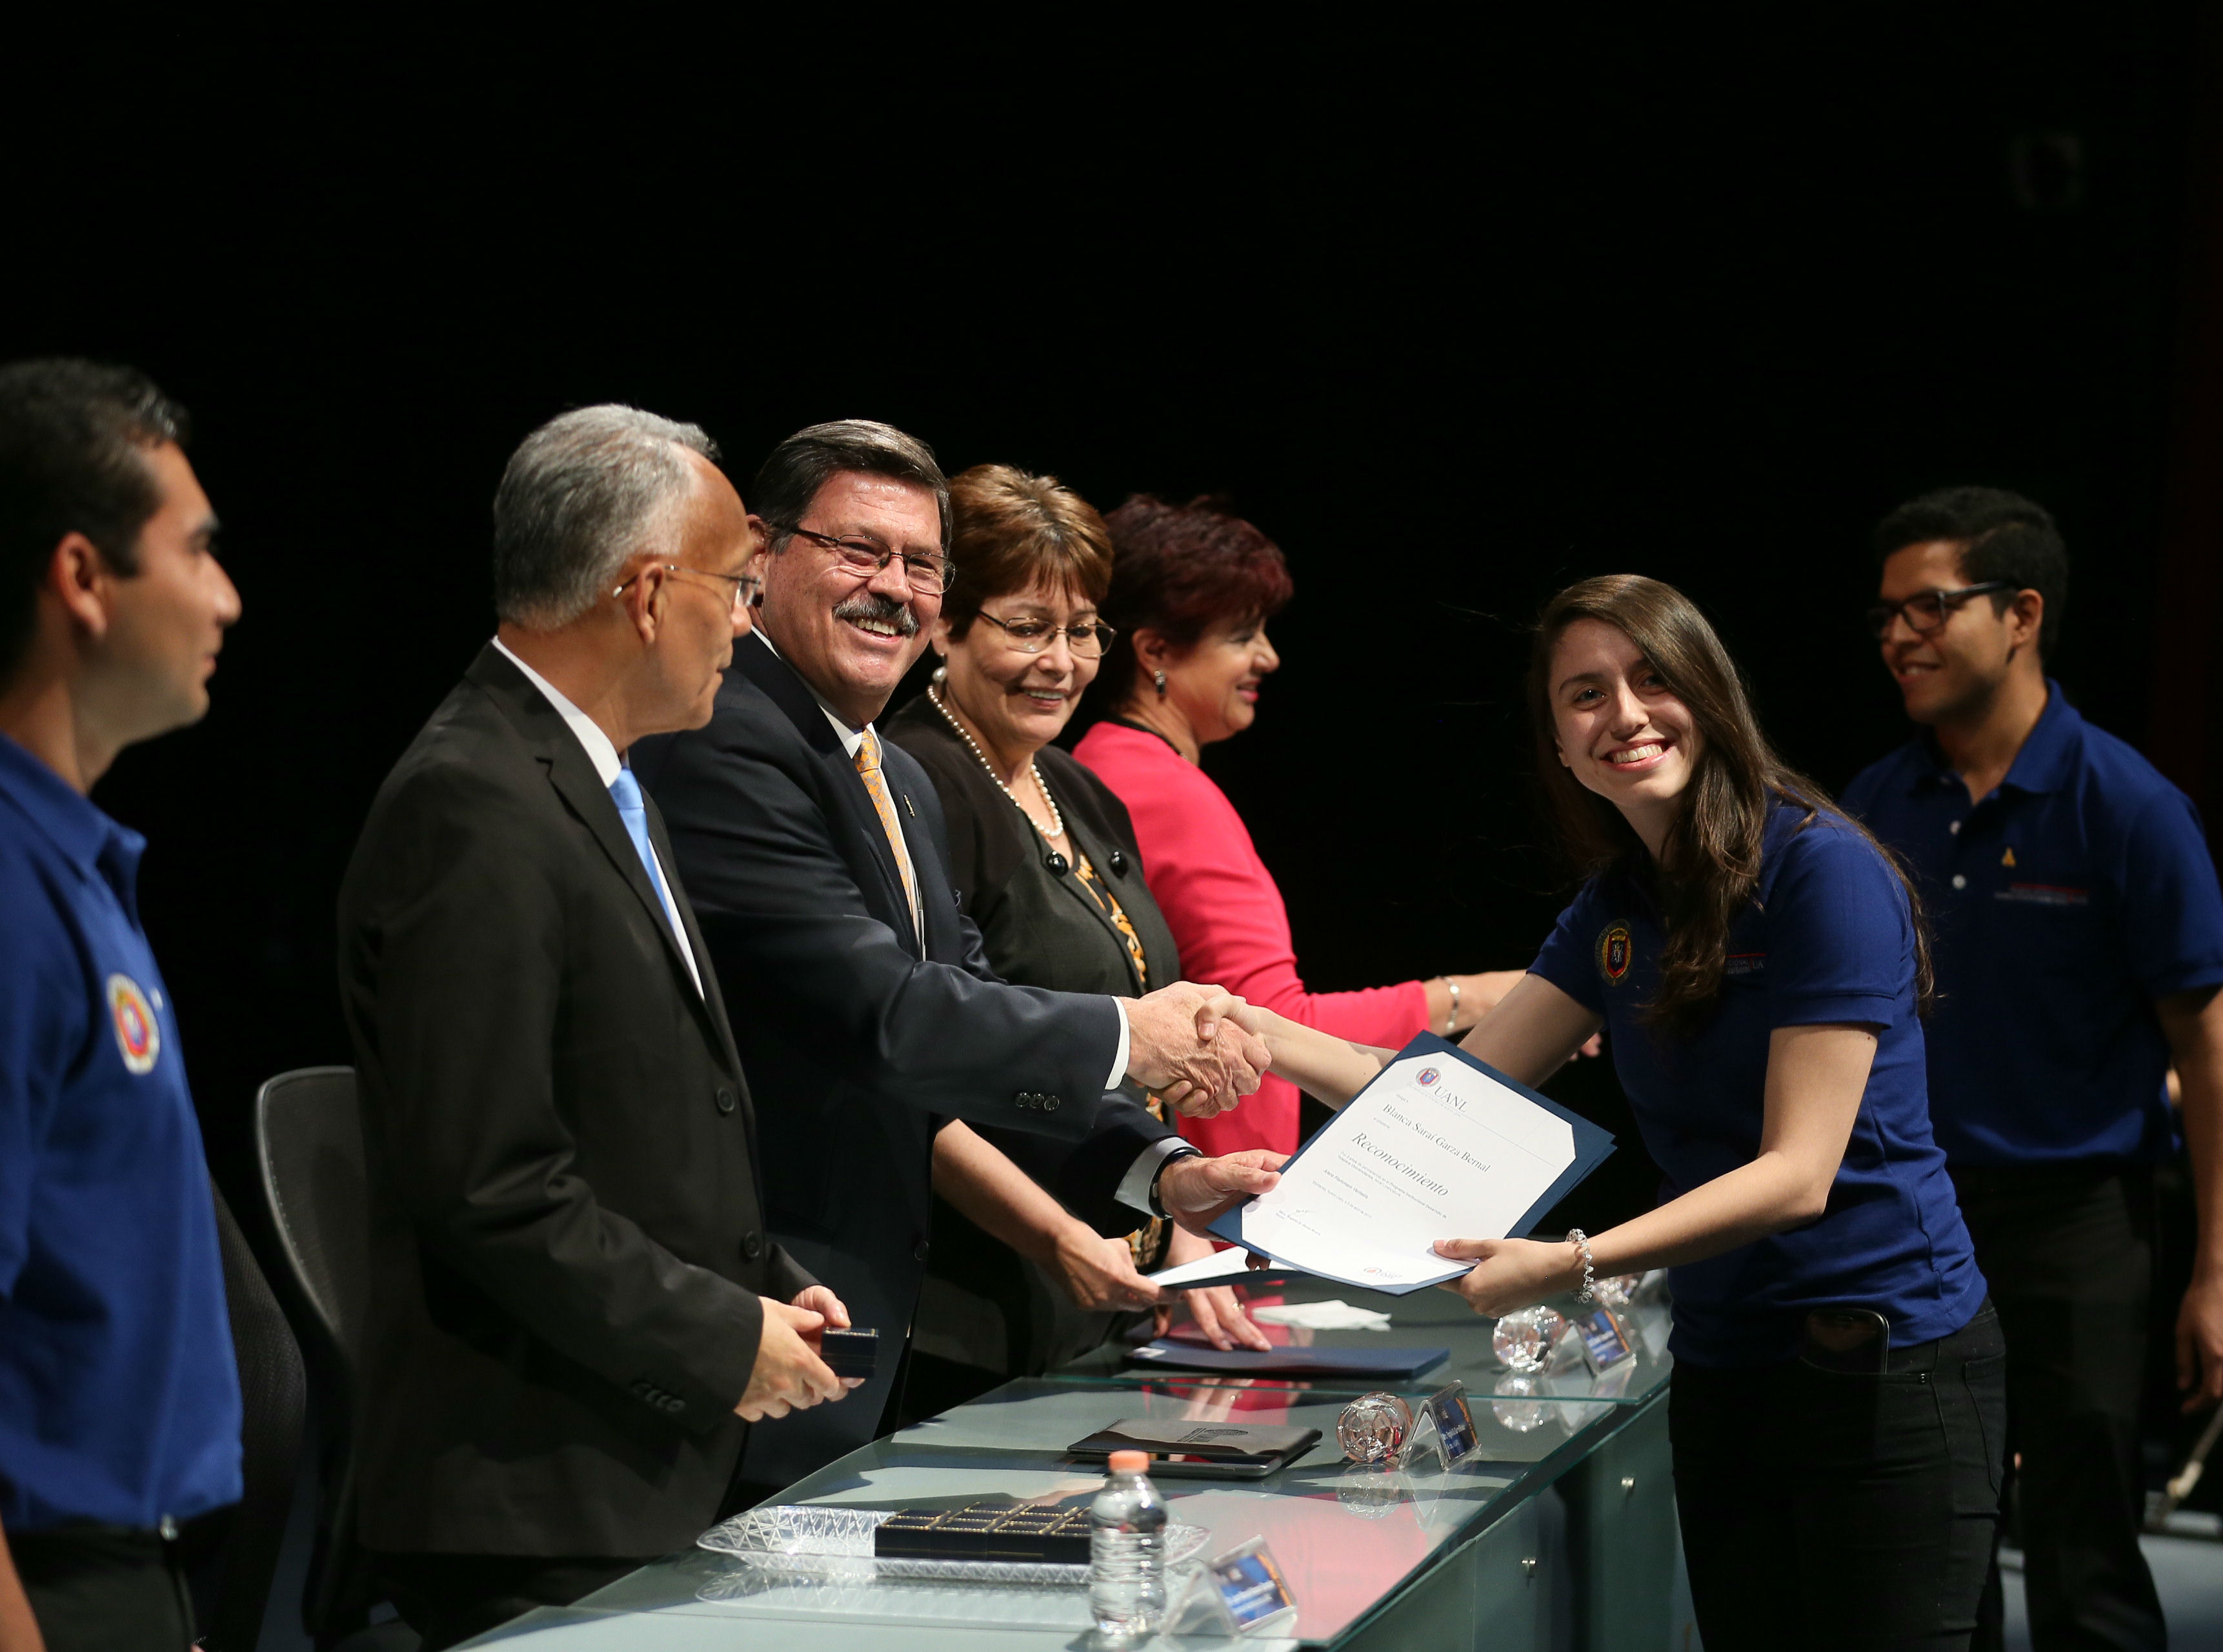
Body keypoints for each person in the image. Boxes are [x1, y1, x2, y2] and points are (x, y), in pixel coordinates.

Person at [1229, 574, 2003, 1649]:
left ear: (1711, 695)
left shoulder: (1820, 871)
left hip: (1882, 1368)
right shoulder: (1619, 907)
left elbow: (1798, 1174)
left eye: (1652, 679)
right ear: (1557, 742)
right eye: (1586, 695)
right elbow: (1438, 1102)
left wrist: (1571, 1261)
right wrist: (1248, 1030)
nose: (1625, 715)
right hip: (1728, 1360)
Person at [634, 423, 1284, 1488]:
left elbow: (970, 1002)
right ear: (763, 552)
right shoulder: (727, 734)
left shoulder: (891, 771)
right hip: (764, 1316)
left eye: (920, 563)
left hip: (855, 1327)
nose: (894, 588)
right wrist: (1130, 1034)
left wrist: (1162, 1173)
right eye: (859, 551)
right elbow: (886, 1017)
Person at [337, 406, 858, 1651]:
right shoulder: (472, 801)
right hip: (530, 1501)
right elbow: (490, 1182)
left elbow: (632, 1112)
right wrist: (716, 1331)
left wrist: (765, 1285)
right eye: (736, 587)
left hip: (634, 1465)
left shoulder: (598, 776)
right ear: (642, 592)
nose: (745, 622)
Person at [1841, 487, 2223, 1651]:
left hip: (2078, 1220)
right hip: (1915, 1219)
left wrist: (2220, 1271)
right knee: (1934, 1537)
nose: (1899, 637)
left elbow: (2209, 1056)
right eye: (1885, 615)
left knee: (2084, 1542)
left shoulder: (2125, 804)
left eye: (1929, 606)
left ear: (2021, 614)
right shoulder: (1876, 805)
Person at [886, 463, 1271, 1384]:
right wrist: (1057, 1231)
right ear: (947, 623)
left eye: (1082, 631)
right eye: (1027, 628)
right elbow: (926, 1070)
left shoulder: (1082, 789)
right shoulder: (914, 781)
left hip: (1108, 1292)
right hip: (976, 1306)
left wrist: (1172, 1208)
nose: (1061, 662)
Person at [0, 360, 243, 1652]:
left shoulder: (73, 867)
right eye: (197, 550)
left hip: (126, 1572)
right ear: (84, 578)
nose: (228, 595)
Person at [1074, 494, 1525, 1158]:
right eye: (1242, 635)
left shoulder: (1098, 765)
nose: (1269, 657)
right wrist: (1484, 997)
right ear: (1155, 651)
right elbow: (1280, 1022)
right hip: (1212, 1187)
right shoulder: (1164, 791)